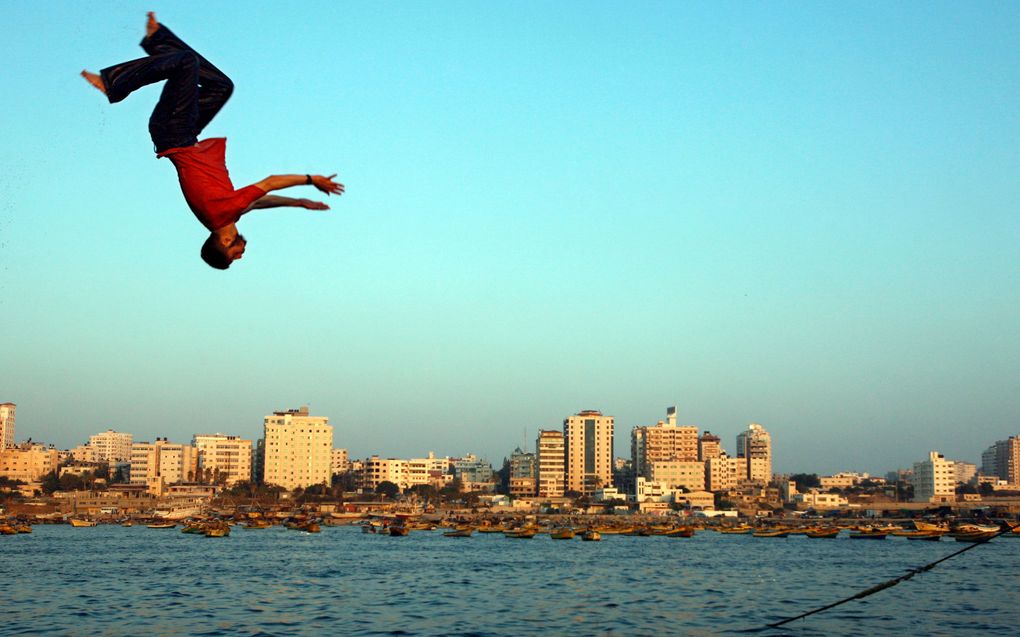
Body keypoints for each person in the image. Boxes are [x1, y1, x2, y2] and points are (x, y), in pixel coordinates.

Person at [82, 12, 344, 269]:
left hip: (174, 133)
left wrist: (312, 180)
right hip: (184, 136)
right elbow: (258, 202)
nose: (241, 254)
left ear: (226, 241)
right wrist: (298, 202)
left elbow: (270, 182)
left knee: (185, 63)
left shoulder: (223, 212)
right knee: (221, 87)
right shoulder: (223, 216)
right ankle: (158, 40)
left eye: (234, 255)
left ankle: (113, 83)